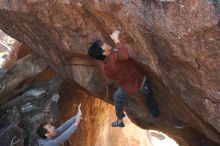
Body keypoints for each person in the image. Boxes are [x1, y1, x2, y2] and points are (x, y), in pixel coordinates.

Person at [88, 31, 159, 127]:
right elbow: (125, 55)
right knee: (149, 98)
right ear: (105, 52)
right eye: (104, 45)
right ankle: (155, 114)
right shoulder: (114, 57)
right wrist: (116, 39)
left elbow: (114, 55)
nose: (106, 43)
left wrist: (112, 49)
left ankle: (119, 119)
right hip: (142, 83)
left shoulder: (105, 68)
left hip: (128, 89)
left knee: (117, 97)